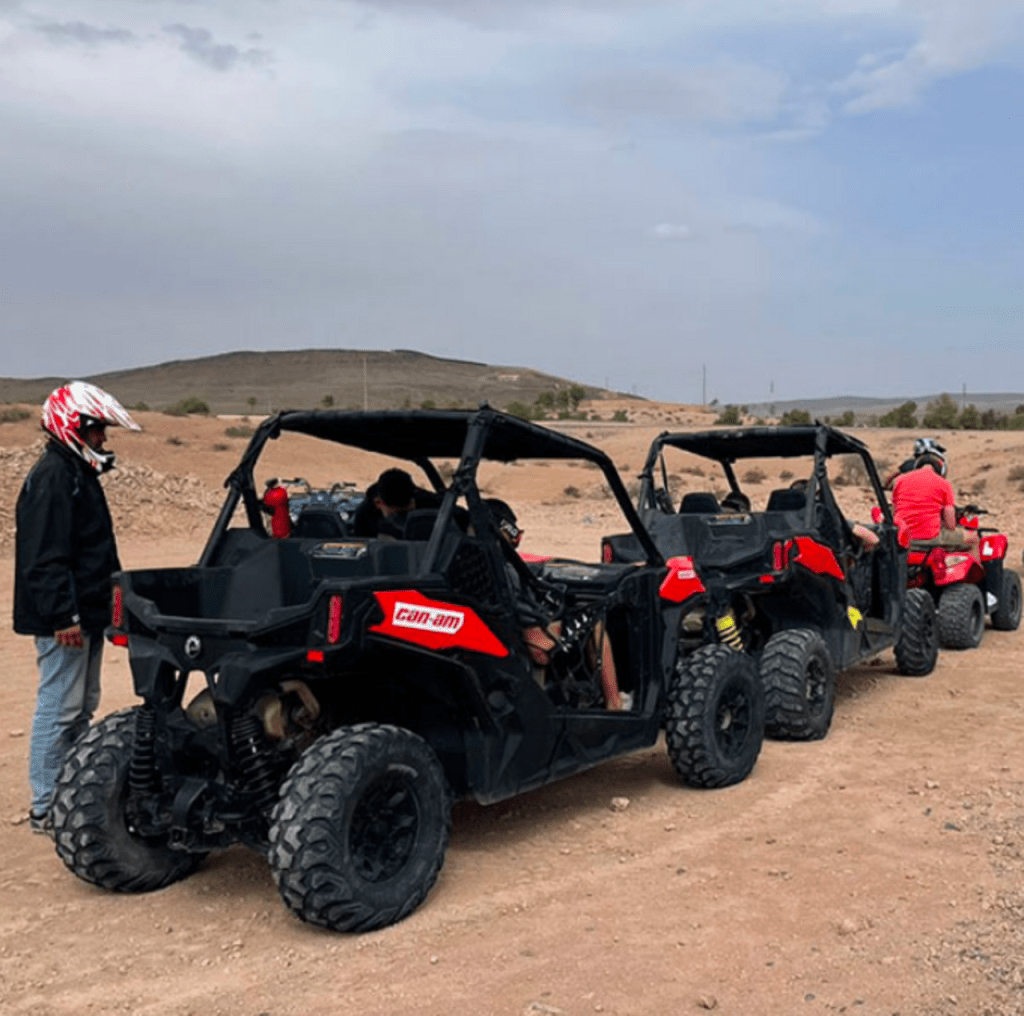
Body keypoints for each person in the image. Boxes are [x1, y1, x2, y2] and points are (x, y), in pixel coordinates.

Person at [14, 382, 141, 834]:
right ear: (75, 428)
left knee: (82, 705)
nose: (103, 440)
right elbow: (44, 556)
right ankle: (47, 805)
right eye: (97, 431)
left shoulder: (75, 474)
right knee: (59, 705)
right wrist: (61, 616)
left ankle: (69, 794)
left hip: (85, 612)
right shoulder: (53, 477)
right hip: (65, 618)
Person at [485, 499, 628, 711]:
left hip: (493, 637)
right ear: (505, 530)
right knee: (594, 618)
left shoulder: (470, 559)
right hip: (532, 643)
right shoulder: (503, 570)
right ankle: (614, 703)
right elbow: (534, 631)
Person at [891, 451, 978, 553]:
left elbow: (894, 513)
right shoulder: (944, 484)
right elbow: (950, 525)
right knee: (973, 539)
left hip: (903, 538)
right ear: (940, 470)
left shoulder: (899, 481)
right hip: (930, 538)